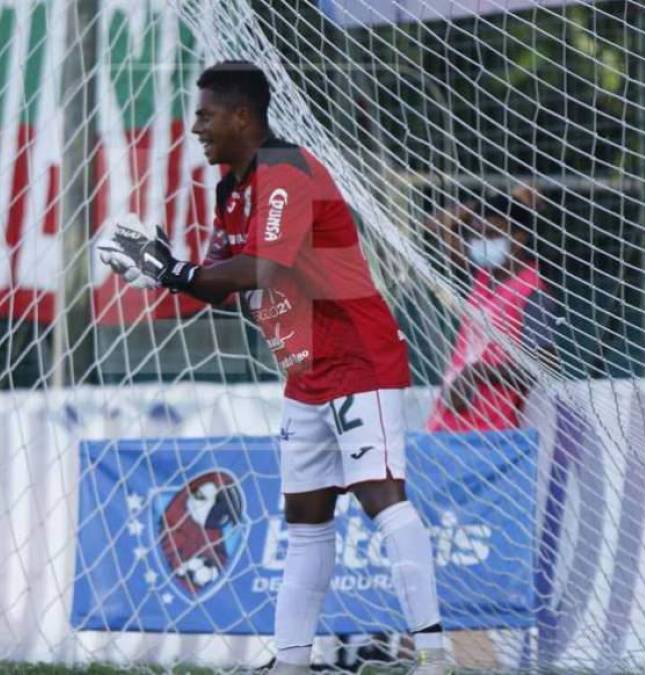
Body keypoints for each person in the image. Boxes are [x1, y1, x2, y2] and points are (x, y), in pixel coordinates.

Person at [98, 61, 450, 675]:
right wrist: (162, 266)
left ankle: (435, 654)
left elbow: (260, 267)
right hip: (303, 371)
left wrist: (174, 273)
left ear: (242, 116)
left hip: (355, 356)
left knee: (381, 497)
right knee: (306, 520)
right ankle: (290, 664)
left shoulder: (286, 169)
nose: (198, 128)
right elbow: (216, 283)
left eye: (206, 115)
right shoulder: (230, 189)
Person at [427, 191, 557, 434]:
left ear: (518, 238)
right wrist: (483, 203)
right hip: (449, 423)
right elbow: (436, 224)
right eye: (476, 234)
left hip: (490, 433)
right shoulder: (484, 276)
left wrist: (478, 373)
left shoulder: (533, 292)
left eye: (491, 234)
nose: (481, 242)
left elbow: (545, 366)